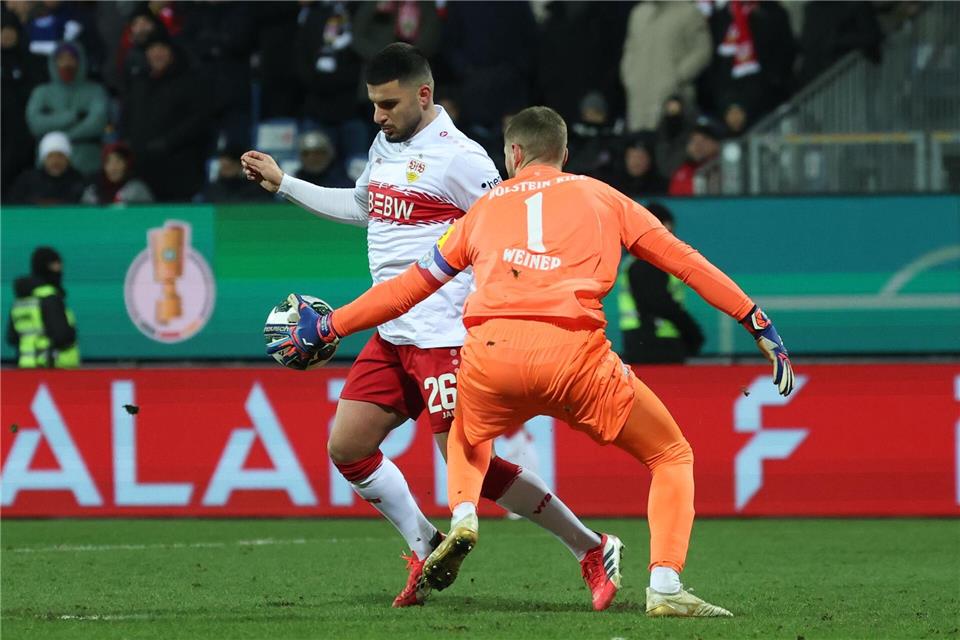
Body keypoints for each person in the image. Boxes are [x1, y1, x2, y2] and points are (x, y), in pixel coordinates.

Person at [273, 106, 795, 617]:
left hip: (492, 356)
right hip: (578, 360)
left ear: (514, 155)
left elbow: (407, 287)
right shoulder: (605, 196)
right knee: (671, 456)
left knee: (465, 440)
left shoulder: (483, 210)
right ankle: (664, 585)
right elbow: (684, 261)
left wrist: (333, 325)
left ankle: (464, 514)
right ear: (564, 154)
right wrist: (756, 321)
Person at [242, 44, 622, 611]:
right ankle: (424, 543)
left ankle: (590, 546)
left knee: (473, 468)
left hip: (446, 337)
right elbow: (361, 207)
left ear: (424, 95)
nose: (378, 116)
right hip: (392, 333)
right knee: (348, 447)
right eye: (374, 104)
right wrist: (284, 184)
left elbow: (508, 226)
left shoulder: (461, 159)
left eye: (388, 104)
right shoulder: (385, 146)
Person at [618, 202, 704, 363]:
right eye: (667, 231)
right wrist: (692, 333)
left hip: (643, 341)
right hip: (656, 343)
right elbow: (659, 303)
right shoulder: (647, 263)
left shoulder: (635, 262)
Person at [620, 1, 711, 131]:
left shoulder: (688, 12)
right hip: (639, 101)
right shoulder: (638, 14)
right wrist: (630, 77)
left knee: (671, 137)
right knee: (639, 138)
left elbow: (702, 51)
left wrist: (677, 76)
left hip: (673, 98)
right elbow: (630, 50)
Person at [25, 40, 108, 177]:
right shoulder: (42, 92)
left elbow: (97, 122)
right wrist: (73, 116)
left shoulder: (95, 91)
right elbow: (35, 123)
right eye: (61, 59)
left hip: (87, 162)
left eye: (71, 58)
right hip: (48, 166)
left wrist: (61, 137)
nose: (66, 63)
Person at [6, 246, 80, 368]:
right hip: (54, 367)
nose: (59, 269)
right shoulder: (49, 297)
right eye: (55, 265)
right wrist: (71, 333)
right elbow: (62, 336)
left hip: (26, 366)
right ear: (44, 267)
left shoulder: (20, 300)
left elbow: (11, 337)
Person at [8, 131, 85, 204]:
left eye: (60, 156)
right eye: (50, 156)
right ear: (43, 159)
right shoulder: (27, 181)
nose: (55, 161)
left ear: (68, 159)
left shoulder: (78, 180)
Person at [81, 141, 154, 205]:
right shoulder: (92, 192)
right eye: (108, 162)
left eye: (118, 161)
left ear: (127, 164)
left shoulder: (137, 190)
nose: (113, 167)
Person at [669, 116, 722, 196]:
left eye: (704, 139)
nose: (697, 145)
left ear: (717, 144)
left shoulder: (725, 171)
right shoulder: (681, 171)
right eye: (693, 140)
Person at [203, 147, 276, 203]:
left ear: (240, 166)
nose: (225, 171)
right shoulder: (214, 189)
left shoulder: (255, 188)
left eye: (229, 167)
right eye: (222, 167)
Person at [609, 133, 669, 199]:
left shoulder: (660, 185)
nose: (636, 162)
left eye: (641, 157)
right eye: (632, 157)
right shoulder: (612, 185)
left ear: (650, 160)